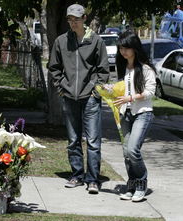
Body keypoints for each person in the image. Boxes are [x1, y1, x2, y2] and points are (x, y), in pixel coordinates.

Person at [48, 4, 109, 194]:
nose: (73, 22)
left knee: (93, 141)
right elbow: (54, 68)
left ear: (84, 18)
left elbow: (103, 70)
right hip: (69, 97)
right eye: (70, 19)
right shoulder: (61, 41)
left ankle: (93, 179)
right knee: (73, 139)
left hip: (90, 97)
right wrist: (61, 88)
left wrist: (95, 91)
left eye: (76, 19)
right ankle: (77, 175)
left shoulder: (96, 41)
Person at [114, 31, 156, 202]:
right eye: (121, 48)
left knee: (133, 150)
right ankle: (131, 185)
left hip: (142, 113)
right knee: (126, 152)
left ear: (134, 48)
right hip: (126, 114)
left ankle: (141, 183)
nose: (123, 51)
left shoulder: (145, 68)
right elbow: (121, 88)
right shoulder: (122, 67)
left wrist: (131, 98)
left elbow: (150, 91)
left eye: (126, 48)